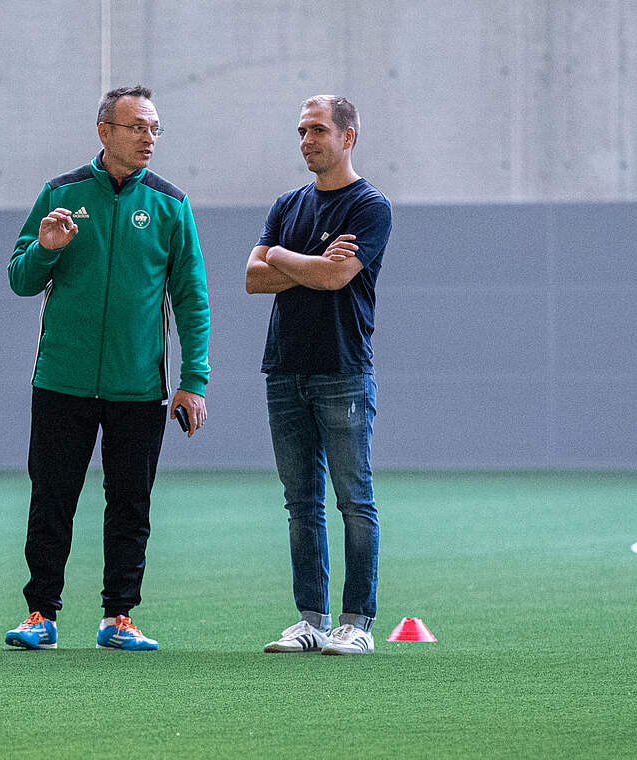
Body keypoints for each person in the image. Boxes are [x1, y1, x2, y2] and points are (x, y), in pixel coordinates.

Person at [4, 85, 211, 652]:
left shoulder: (172, 205)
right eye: (137, 127)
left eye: (154, 128)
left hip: (140, 386)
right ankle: (40, 613)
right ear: (105, 132)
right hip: (61, 382)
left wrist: (193, 381)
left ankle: (119, 616)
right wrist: (46, 247)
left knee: (130, 506)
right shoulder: (61, 194)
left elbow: (192, 297)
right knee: (51, 499)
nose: (148, 138)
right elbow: (20, 279)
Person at [244, 95, 392, 656]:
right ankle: (311, 620)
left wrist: (280, 258)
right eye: (301, 131)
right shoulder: (288, 204)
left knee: (354, 499)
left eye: (318, 130)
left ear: (348, 136)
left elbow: (337, 280)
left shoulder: (369, 207)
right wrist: (301, 257)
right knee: (300, 502)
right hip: (284, 369)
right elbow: (252, 279)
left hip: (342, 370)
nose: (307, 140)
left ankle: (356, 622)